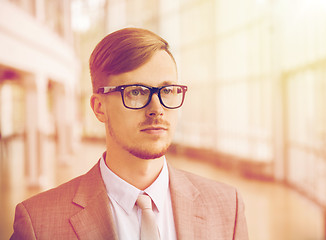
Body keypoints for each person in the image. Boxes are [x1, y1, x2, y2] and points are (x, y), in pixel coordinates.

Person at [11, 27, 248, 240]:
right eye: (136, 92)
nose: (157, 109)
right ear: (99, 108)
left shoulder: (228, 207)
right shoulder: (38, 224)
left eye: (167, 90)